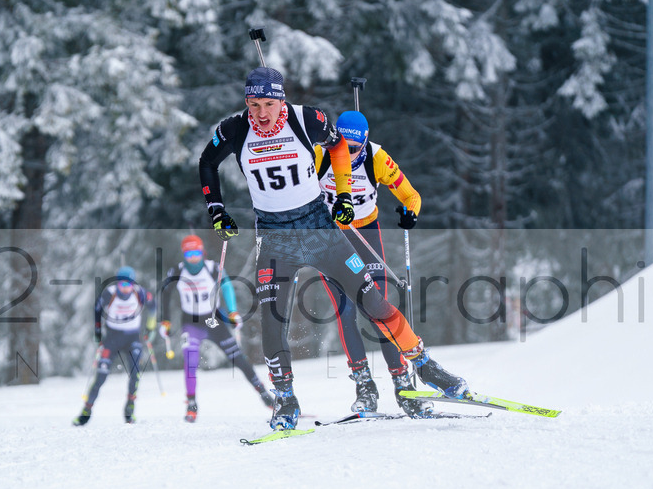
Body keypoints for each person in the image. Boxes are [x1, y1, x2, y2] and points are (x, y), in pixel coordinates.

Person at [198, 65, 469, 430]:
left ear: (281, 100)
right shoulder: (235, 128)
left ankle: (423, 365)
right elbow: (207, 161)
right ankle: (285, 399)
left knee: (373, 301)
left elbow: (339, 145)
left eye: (267, 104)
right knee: (272, 320)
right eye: (253, 104)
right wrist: (217, 209)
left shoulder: (306, 120)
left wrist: (343, 194)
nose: (260, 114)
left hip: (320, 230)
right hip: (276, 238)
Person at [314, 109, 433, 418]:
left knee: (377, 309)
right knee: (346, 310)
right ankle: (364, 385)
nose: (347, 154)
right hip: (330, 239)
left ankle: (403, 384)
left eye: (355, 149)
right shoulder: (318, 153)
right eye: (341, 146)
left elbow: (412, 196)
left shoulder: (377, 158)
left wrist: (411, 212)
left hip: (366, 234)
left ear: (364, 143)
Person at [159, 234, 275, 422]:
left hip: (214, 320)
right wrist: (165, 321)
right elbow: (165, 294)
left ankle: (264, 394)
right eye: (189, 254)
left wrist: (233, 312)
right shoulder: (177, 272)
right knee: (190, 361)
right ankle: (191, 404)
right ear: (184, 255)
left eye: (196, 252)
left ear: (202, 252)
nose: (193, 257)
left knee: (238, 358)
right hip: (191, 322)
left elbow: (227, 287)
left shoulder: (213, 268)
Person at [73, 266, 156, 426]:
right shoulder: (109, 293)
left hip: (132, 338)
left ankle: (129, 407)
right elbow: (97, 310)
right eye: (122, 285)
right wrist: (97, 331)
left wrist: (150, 328)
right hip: (112, 339)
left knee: (135, 373)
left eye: (128, 285)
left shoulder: (140, 293)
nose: (125, 289)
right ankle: (86, 410)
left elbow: (153, 307)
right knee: (101, 376)